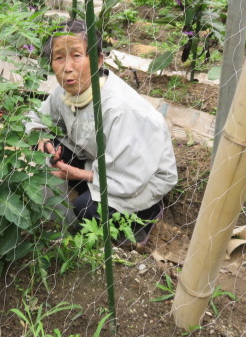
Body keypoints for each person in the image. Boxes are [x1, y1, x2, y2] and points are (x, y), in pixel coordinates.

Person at [25, 20, 178, 244]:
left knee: (85, 210)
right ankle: (87, 185)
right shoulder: (64, 91)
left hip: (141, 178)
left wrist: (79, 175)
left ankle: (146, 215)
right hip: (101, 161)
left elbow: (130, 177)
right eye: (59, 57)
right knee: (47, 150)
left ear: (97, 60)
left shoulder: (121, 110)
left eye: (76, 55)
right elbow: (39, 117)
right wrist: (42, 137)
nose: (67, 67)